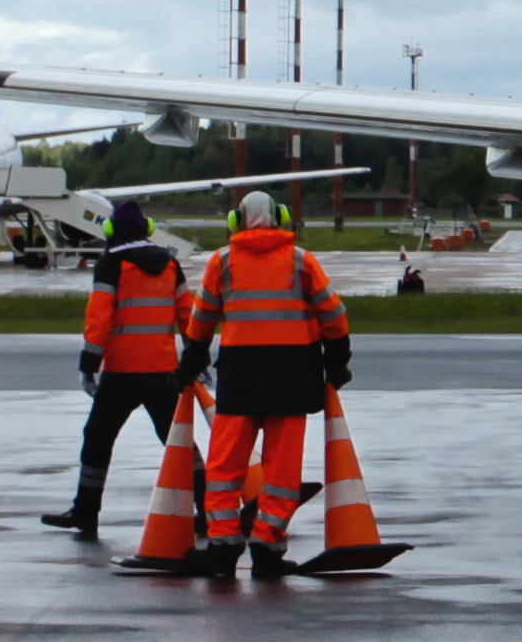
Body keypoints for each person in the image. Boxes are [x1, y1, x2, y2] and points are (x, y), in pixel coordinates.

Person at [179, 190, 349, 579]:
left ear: (236, 220)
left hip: (240, 377)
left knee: (224, 465)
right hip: (293, 377)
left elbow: (201, 320)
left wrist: (190, 363)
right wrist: (337, 362)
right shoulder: (301, 261)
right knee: (282, 469)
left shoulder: (221, 262)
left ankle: (222, 547)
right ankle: (267, 548)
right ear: (283, 218)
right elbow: (334, 316)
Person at [41, 196, 190, 539]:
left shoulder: (111, 264)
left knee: (97, 439)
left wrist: (87, 366)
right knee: (178, 443)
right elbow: (188, 315)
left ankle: (86, 512)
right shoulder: (170, 264)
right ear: (147, 229)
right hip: (163, 371)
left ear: (110, 230)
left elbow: (99, 320)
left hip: (121, 372)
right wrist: (196, 359)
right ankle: (209, 508)